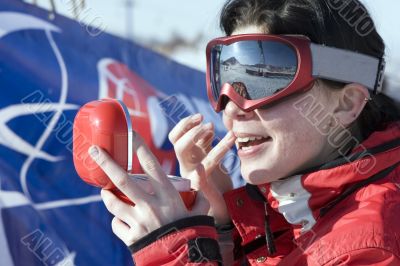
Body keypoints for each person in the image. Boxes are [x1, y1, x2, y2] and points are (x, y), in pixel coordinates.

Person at [89, 0, 400, 265]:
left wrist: (176, 252)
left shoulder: (369, 245)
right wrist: (225, 232)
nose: (232, 108)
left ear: (347, 104)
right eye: (227, 76)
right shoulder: (291, 214)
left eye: (264, 79)